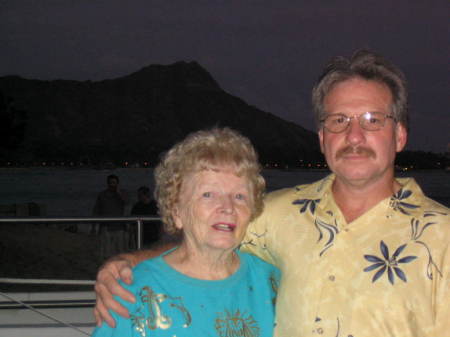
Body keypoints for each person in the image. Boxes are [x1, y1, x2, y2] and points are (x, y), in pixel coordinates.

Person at [93, 50, 449, 337]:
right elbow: (203, 241)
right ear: (323, 138)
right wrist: (129, 264)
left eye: (373, 120)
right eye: (338, 120)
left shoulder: (442, 237)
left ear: (400, 135)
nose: (354, 136)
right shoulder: (279, 213)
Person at [91, 128, 280, 337]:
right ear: (176, 211)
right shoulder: (133, 293)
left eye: (240, 196)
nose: (227, 207)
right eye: (208, 194)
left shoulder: (272, 283)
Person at [93, 174, 130, 260]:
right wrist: (94, 226)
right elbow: (96, 210)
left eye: (114, 183)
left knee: (120, 253)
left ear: (117, 183)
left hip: (119, 227)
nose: (112, 185)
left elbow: (127, 202)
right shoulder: (102, 195)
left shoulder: (122, 193)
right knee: (106, 253)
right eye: (110, 183)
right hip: (105, 227)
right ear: (107, 183)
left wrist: (118, 193)